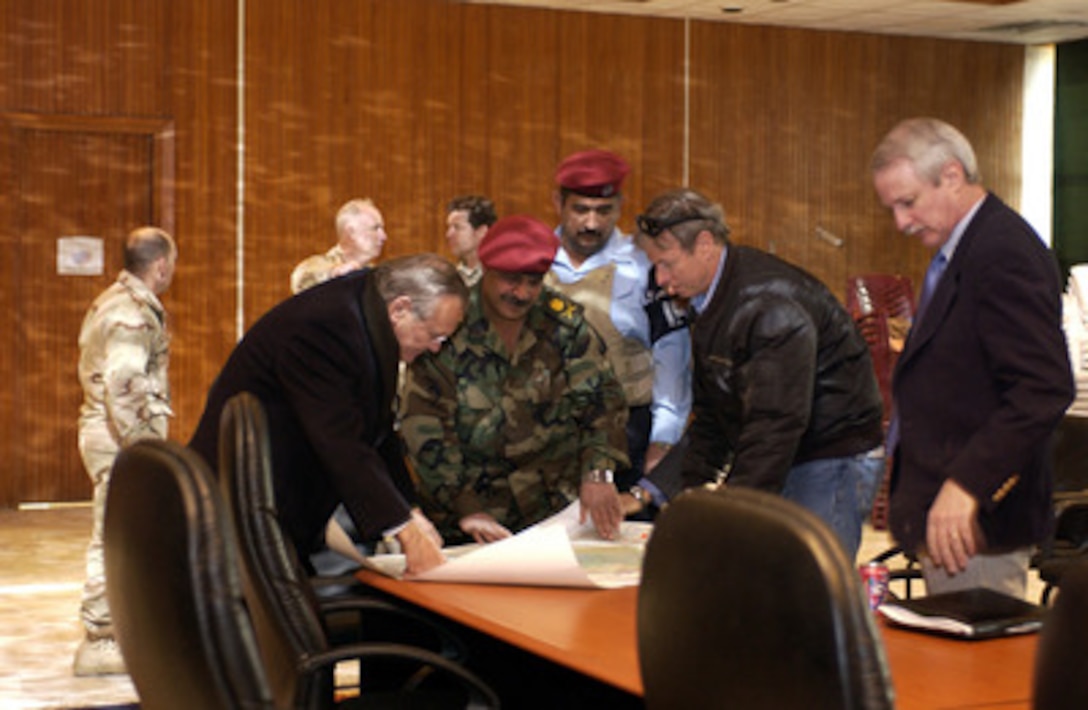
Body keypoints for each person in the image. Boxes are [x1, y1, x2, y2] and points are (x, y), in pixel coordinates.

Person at [871, 117, 1074, 596]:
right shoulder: (960, 249)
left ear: (952, 175)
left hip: (977, 522)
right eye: (893, 208)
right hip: (945, 515)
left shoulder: (1002, 252)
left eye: (908, 202)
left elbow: (1042, 389)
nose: (900, 222)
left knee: (972, 669)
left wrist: (967, 485)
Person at [631, 188, 885, 560]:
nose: (660, 278)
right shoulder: (708, 299)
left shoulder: (769, 305)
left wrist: (730, 513)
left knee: (808, 590)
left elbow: (775, 425)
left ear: (704, 245)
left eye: (667, 263)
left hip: (830, 458)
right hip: (789, 453)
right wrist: (673, 493)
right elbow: (714, 418)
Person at [189, 254, 467, 577]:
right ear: (400, 309)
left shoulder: (370, 311)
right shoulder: (324, 328)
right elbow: (342, 440)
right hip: (233, 516)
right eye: (435, 335)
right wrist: (404, 530)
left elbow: (377, 430)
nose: (436, 348)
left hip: (273, 510)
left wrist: (409, 509)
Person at [400, 215, 630, 544]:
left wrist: (598, 473)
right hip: (469, 519)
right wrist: (467, 508)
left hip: (555, 515)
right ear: (486, 268)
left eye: (533, 282)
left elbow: (602, 402)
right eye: (510, 280)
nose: (522, 293)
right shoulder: (448, 324)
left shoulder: (563, 325)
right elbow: (425, 430)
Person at [547, 150, 691, 486]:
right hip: (546, 440)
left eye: (604, 211)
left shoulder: (645, 268)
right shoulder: (533, 262)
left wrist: (663, 441)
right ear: (558, 203)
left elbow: (672, 359)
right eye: (580, 210)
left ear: (621, 205)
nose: (591, 224)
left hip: (626, 437)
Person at [74, 226, 177, 676]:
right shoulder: (131, 313)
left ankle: (119, 628)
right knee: (112, 534)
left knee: (123, 533)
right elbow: (126, 386)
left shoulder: (115, 300)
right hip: (120, 439)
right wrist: (149, 451)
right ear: (161, 265)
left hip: (113, 435)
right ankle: (99, 642)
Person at [290, 198, 387, 294]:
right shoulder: (319, 266)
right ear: (352, 232)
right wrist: (333, 274)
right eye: (375, 228)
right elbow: (301, 280)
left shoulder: (376, 276)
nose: (384, 237)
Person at [446, 195, 496, 287]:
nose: (448, 234)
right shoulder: (448, 278)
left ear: (482, 232)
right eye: (449, 227)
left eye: (457, 227)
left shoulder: (500, 277)